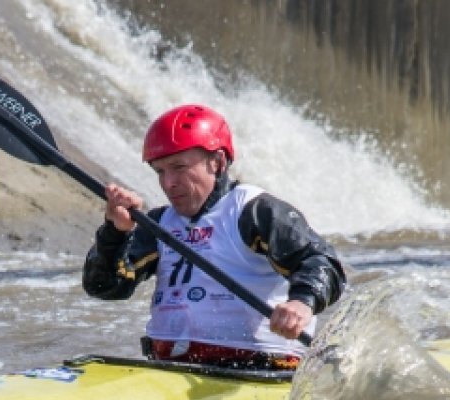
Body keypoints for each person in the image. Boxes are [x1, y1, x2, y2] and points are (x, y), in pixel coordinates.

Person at [83, 104, 346, 370]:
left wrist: (302, 303)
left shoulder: (254, 211)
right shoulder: (159, 223)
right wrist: (115, 232)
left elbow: (322, 262)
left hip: (260, 368)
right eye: (160, 171)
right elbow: (104, 287)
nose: (168, 183)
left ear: (217, 162)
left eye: (179, 167)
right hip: (170, 367)